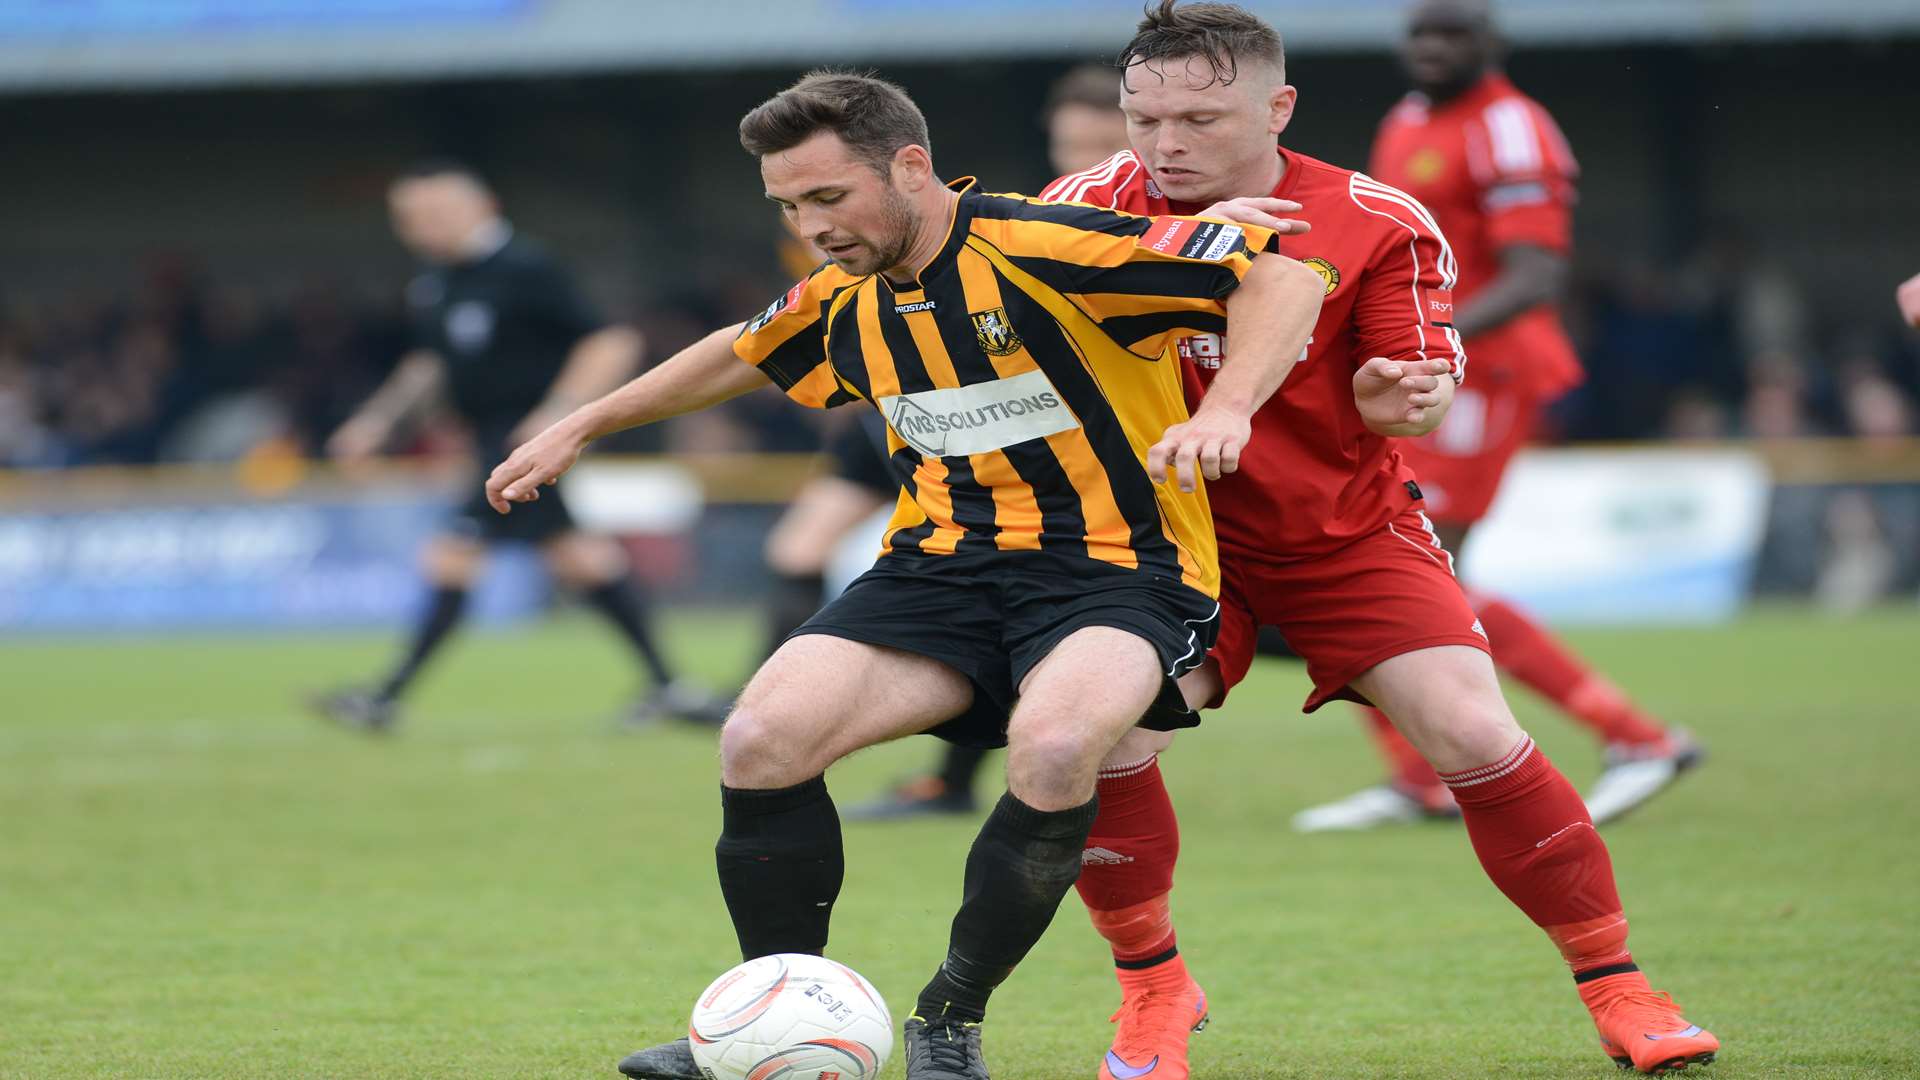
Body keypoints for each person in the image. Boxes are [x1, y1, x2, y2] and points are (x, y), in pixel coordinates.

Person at [484, 72, 1325, 1080]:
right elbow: (740, 350)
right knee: (760, 739)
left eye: (829, 198)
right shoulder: (846, 296)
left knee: (1056, 749)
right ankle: (774, 1016)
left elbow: (1287, 279)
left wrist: (1226, 407)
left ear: (912, 167)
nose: (811, 226)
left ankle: (948, 1021)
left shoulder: (1048, 247)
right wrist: (578, 426)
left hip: (1118, 573)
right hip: (941, 571)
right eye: (789, 207)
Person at [1039, 4, 1720, 1076]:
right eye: (1143, 117)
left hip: (1340, 533)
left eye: (1200, 120)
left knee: (1471, 731)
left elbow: (1415, 400)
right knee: (1095, 741)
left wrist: (1394, 395)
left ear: (1279, 107)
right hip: (1159, 548)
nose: (1165, 145)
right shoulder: (1078, 208)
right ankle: (1154, 990)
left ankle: (1622, 988)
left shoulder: (1379, 218)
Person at [1297, 0, 1702, 830]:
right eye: (1420, 33)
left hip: (1476, 377)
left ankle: (1640, 739)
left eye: (1452, 34)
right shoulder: (1406, 119)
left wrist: (1418, 338)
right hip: (1416, 372)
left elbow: (1536, 276)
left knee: (1414, 575)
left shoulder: (1515, 126)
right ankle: (1422, 779)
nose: (1433, 49)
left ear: (1493, 42)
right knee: (1365, 567)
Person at [310, 162, 726, 732]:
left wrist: (557, 415)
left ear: (481, 208)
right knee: (579, 557)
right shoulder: (436, 281)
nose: (417, 227)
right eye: (407, 218)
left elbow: (609, 341)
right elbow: (431, 362)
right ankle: (671, 687)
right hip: (491, 438)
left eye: (431, 214)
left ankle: (385, 696)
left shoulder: (526, 268)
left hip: (524, 443)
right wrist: (377, 421)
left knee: (453, 554)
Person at [843, 62, 1134, 822]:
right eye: (1076, 144)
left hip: (1089, 454)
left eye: (1108, 149)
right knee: (802, 549)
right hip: (938, 414)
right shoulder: (1014, 221)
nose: (1088, 164)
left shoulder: (1112, 238)